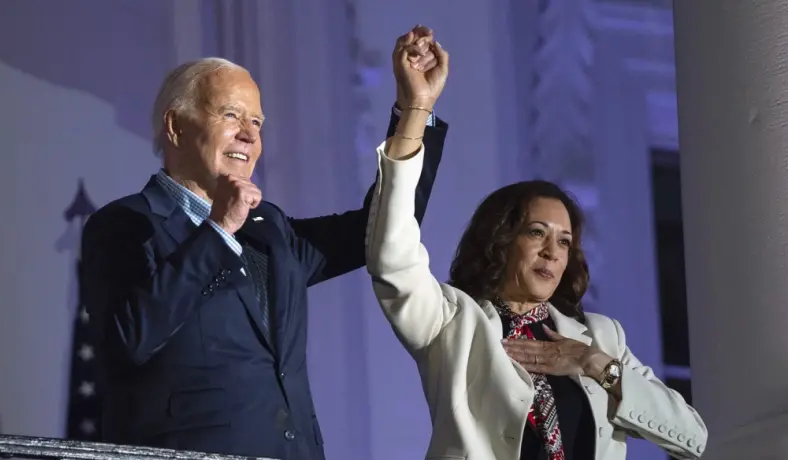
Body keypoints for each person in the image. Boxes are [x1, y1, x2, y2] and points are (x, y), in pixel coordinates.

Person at [79, 26, 447, 460]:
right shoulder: (124, 224)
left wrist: (415, 110)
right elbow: (128, 341)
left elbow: (382, 227)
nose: (249, 135)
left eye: (256, 122)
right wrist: (219, 229)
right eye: (231, 116)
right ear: (176, 126)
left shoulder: (268, 228)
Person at [365, 42, 707, 460]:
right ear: (501, 240)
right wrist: (417, 109)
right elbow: (393, 255)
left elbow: (693, 439)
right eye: (536, 233)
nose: (552, 252)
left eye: (564, 241)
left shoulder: (600, 338)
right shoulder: (453, 322)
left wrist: (597, 365)